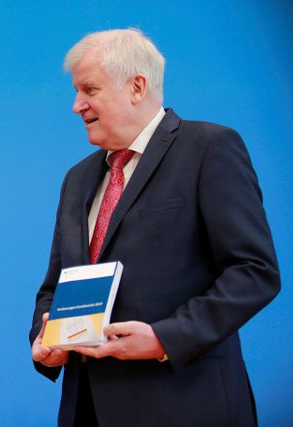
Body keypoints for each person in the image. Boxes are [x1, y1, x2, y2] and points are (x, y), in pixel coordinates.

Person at [30, 29, 280, 427]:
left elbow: (253, 271)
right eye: (76, 91)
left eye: (89, 89)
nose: (77, 106)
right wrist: (45, 341)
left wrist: (166, 337)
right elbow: (55, 286)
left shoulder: (209, 148)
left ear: (137, 86)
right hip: (87, 409)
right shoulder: (77, 178)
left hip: (185, 405)